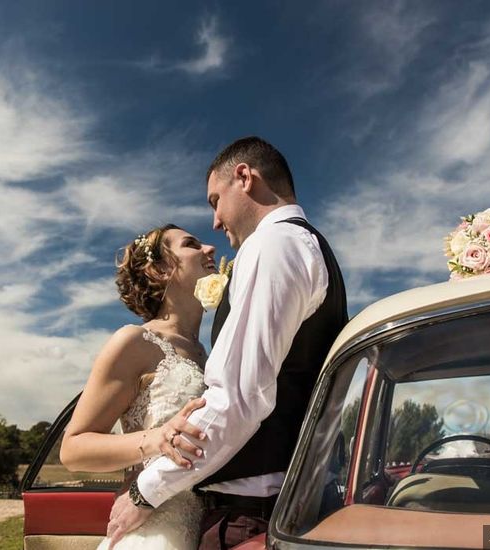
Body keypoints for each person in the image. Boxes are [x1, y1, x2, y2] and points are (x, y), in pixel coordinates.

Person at [107, 136, 348, 550]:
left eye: (214, 200)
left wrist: (144, 491)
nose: (215, 223)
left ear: (244, 177)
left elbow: (239, 397)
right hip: (269, 505)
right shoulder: (301, 243)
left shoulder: (273, 243)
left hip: (254, 516)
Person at [60, 224, 220, 550]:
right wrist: (157, 439)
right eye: (192, 244)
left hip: (208, 526)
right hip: (154, 530)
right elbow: (73, 449)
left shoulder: (212, 353)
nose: (210, 249)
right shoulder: (134, 342)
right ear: (159, 269)